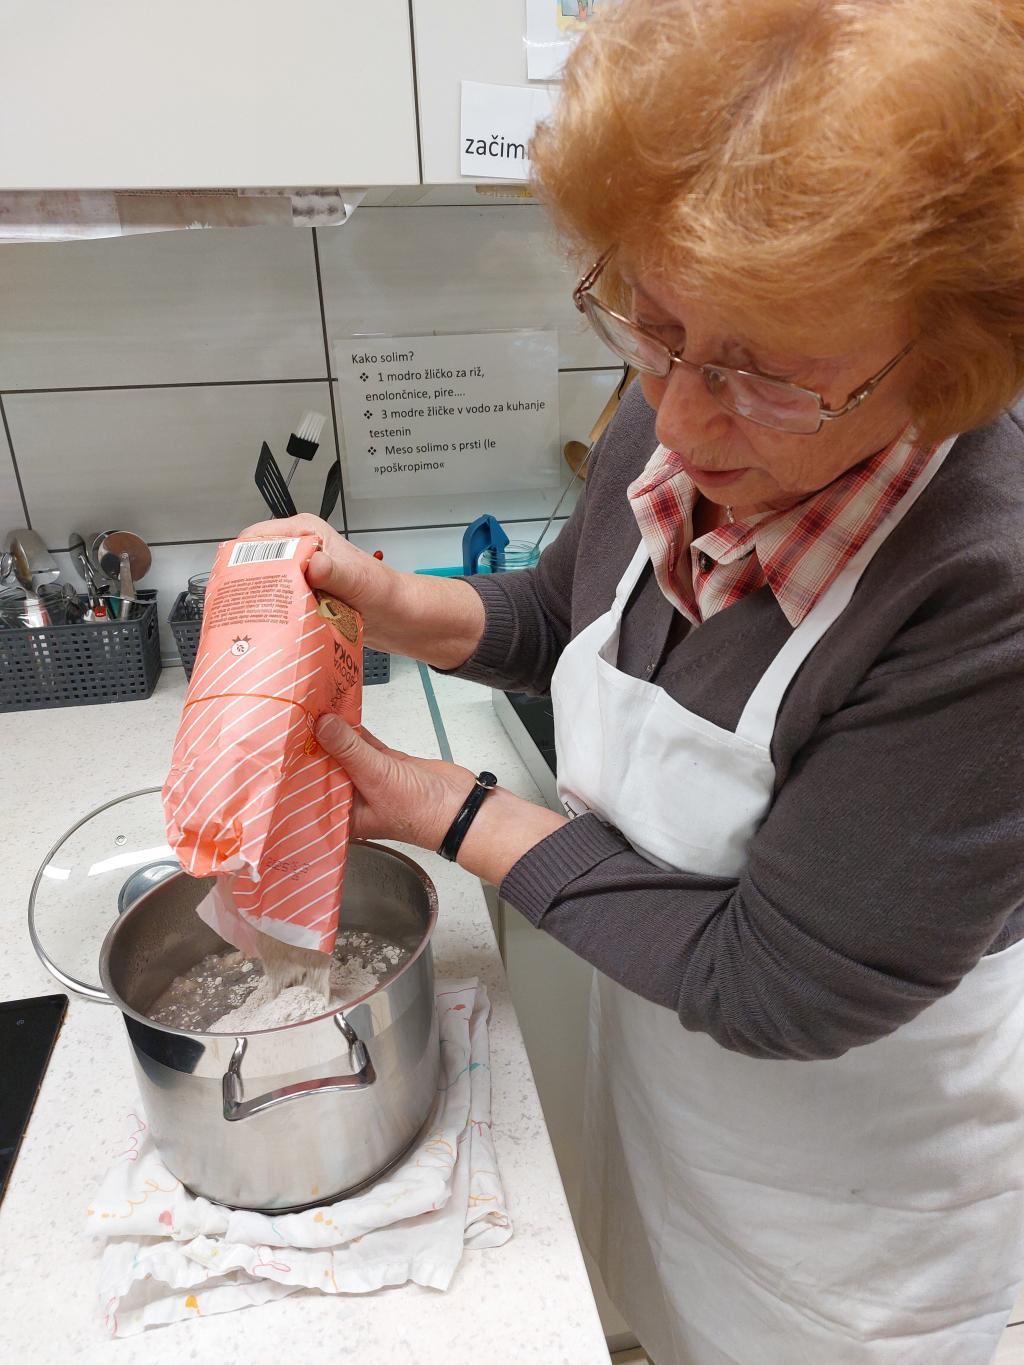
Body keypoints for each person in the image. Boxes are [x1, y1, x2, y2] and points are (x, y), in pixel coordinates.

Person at [242, 1, 1024, 1359]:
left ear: (949, 363)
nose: (681, 413)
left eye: (764, 374)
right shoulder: (690, 417)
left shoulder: (983, 592)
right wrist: (397, 602)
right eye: (653, 328)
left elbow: (779, 982)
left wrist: (444, 808)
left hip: (866, 1212)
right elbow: (570, 612)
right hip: (686, 1115)